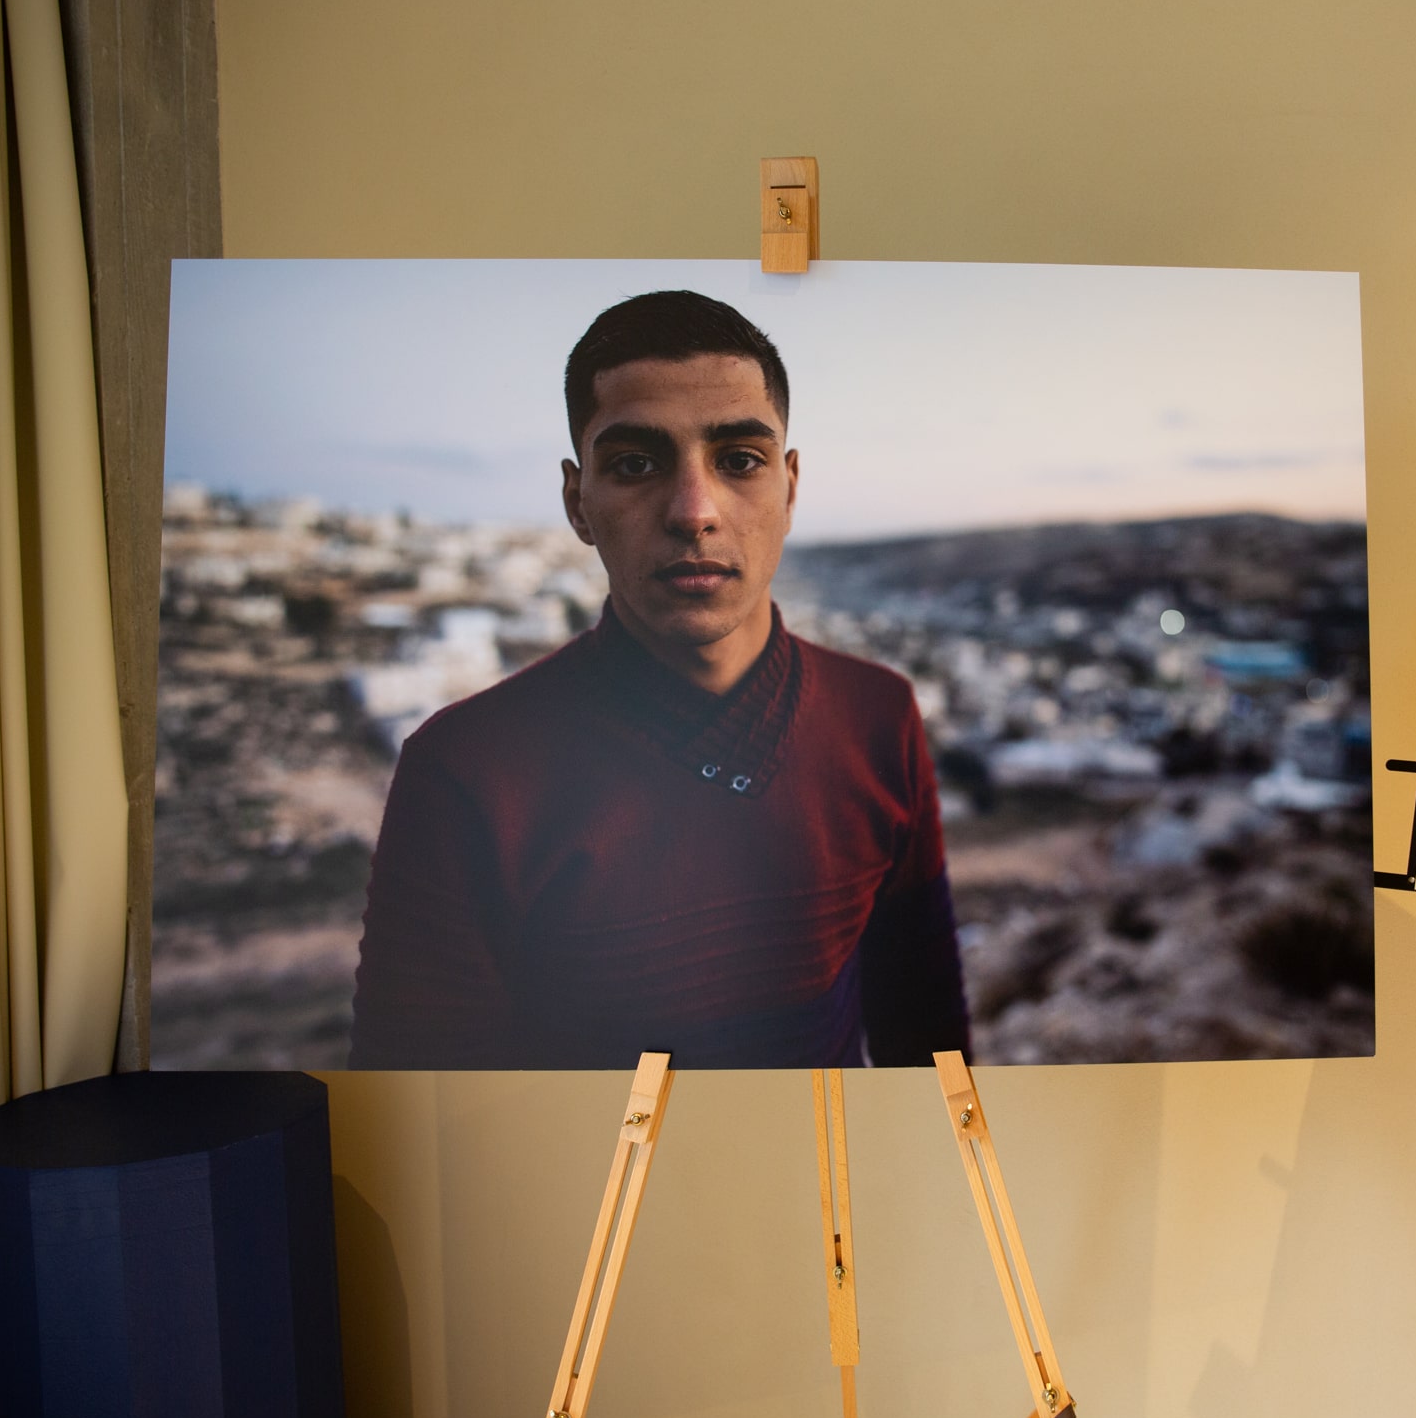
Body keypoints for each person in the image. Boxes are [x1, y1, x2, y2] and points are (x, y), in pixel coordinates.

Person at [348, 290, 970, 1069]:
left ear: (791, 486)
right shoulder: (466, 771)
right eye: (636, 464)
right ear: (579, 502)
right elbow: (419, 1109)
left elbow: (929, 1039)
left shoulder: (877, 715)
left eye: (740, 460)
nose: (693, 511)